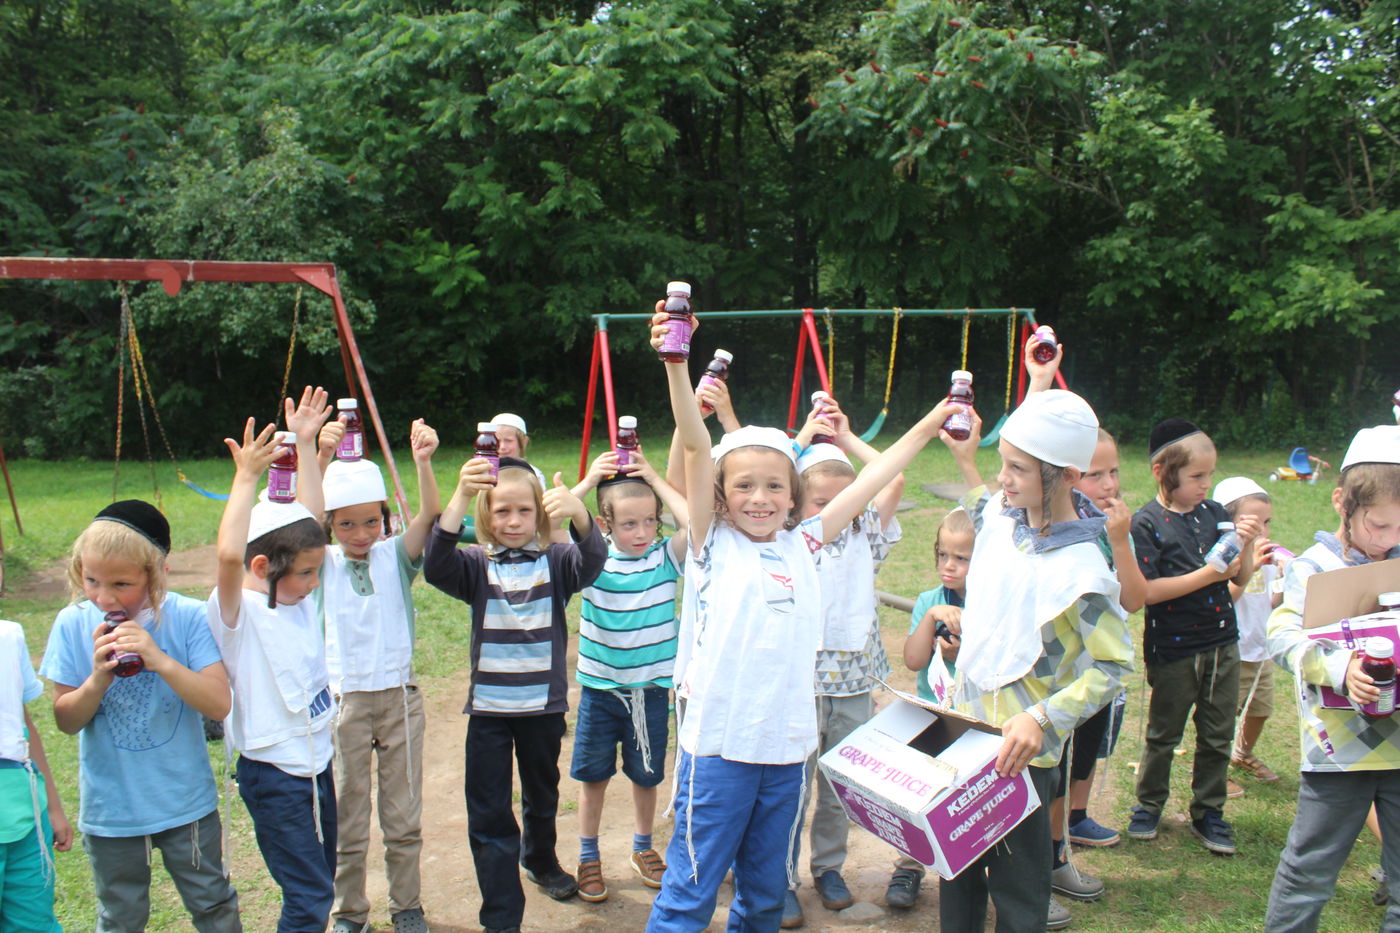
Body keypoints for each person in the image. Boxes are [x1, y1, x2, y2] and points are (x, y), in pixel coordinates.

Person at [644, 305, 950, 933]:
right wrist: (676, 365)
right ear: (722, 496)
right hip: (721, 750)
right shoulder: (709, 542)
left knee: (761, 896)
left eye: (775, 487)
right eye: (745, 487)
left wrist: (933, 420)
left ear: (793, 494)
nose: (761, 498)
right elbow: (697, 444)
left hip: (785, 751)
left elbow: (881, 473)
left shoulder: (804, 543)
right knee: (690, 895)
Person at [937, 389, 1133, 933]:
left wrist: (1042, 718)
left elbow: (1114, 668)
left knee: (1019, 895)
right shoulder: (1006, 517)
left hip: (1023, 761)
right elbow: (985, 505)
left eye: (1018, 469)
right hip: (966, 737)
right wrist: (966, 458)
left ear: (1066, 476)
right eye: (1004, 464)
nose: (1005, 478)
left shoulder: (1083, 573)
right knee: (958, 875)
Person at [423, 454, 607, 933]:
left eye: (524, 511)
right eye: (501, 511)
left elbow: (593, 561)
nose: (513, 521)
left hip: (542, 709)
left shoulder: (558, 561)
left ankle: (541, 860)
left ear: (540, 515)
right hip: (488, 712)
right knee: (488, 814)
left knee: (543, 795)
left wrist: (580, 514)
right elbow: (435, 565)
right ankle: (502, 916)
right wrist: (461, 494)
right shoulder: (474, 566)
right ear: (485, 516)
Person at [41, 499, 239, 932]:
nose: (104, 596)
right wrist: (96, 680)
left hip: (184, 802)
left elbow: (219, 704)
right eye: (91, 580)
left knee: (212, 901)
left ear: (157, 573)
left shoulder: (185, 617)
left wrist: (159, 659)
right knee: (121, 915)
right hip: (112, 808)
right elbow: (66, 721)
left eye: (121, 584)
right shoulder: (72, 623)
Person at [210, 387, 338, 933]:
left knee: (321, 884)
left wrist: (306, 445)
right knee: (308, 896)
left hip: (317, 764)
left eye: (315, 572)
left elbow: (312, 521)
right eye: (304, 573)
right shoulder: (238, 612)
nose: (313, 583)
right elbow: (226, 554)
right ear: (262, 566)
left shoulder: (296, 595)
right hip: (274, 775)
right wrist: (245, 479)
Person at [1264, 425, 1400, 930]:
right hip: (1338, 752)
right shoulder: (1311, 566)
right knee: (1311, 870)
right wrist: (1341, 669)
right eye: (1379, 526)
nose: (1390, 541)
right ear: (1341, 502)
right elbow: (1281, 634)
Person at [783, 397, 906, 928]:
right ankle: (778, 877)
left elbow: (893, 477)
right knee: (790, 787)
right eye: (818, 501)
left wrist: (848, 436)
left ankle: (828, 868)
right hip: (797, 686)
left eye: (843, 499)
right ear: (797, 502)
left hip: (853, 687)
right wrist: (804, 442)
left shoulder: (868, 536)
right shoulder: (788, 541)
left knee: (835, 787)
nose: (831, 510)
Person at [318, 419, 441, 933]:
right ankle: (349, 912)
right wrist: (317, 459)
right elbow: (300, 520)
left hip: (398, 699)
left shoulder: (395, 556)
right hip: (343, 703)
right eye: (346, 525)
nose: (360, 535)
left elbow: (432, 514)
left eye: (371, 522)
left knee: (402, 815)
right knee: (346, 819)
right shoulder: (318, 563)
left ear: (386, 520)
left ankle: (406, 905)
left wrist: (423, 463)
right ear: (328, 527)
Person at [1127, 418, 1260, 856]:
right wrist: (1207, 574)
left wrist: (1245, 550)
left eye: (1210, 475)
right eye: (1197, 476)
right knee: (1164, 734)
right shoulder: (1146, 523)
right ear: (1162, 470)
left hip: (1223, 642)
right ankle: (1148, 806)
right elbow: (1146, 592)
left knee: (1218, 734)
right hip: (1174, 650)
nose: (1207, 485)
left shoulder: (1216, 514)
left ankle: (1209, 811)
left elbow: (1236, 576)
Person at [567, 448, 689, 903]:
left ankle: (642, 847)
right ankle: (588, 854)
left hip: (652, 692)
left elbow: (693, 526)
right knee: (592, 777)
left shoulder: (666, 558)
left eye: (649, 521)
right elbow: (550, 523)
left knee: (647, 776)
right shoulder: (590, 560)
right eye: (628, 524)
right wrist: (589, 480)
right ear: (604, 526)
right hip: (600, 692)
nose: (642, 533)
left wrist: (655, 479)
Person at [886, 506, 973, 911]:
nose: (949, 566)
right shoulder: (928, 600)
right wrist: (933, 620)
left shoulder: (989, 603)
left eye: (961, 558)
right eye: (943, 555)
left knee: (966, 796)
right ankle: (909, 865)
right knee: (919, 795)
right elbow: (914, 661)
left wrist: (963, 650)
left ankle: (971, 867)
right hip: (932, 717)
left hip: (975, 721)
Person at [1214, 477, 1285, 798]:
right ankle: (1212, 769)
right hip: (1233, 649)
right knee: (1222, 715)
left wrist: (1283, 583)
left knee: (1260, 708)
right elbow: (1225, 599)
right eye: (1255, 525)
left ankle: (1242, 754)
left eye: (1267, 523)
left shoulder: (1269, 559)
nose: (1263, 533)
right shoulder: (1225, 559)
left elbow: (1270, 603)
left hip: (1261, 649)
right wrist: (1250, 568)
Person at [2, 617, 71, 933]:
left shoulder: (8, 635)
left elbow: (21, 724)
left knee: (33, 920)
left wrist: (53, 807)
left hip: (24, 804)